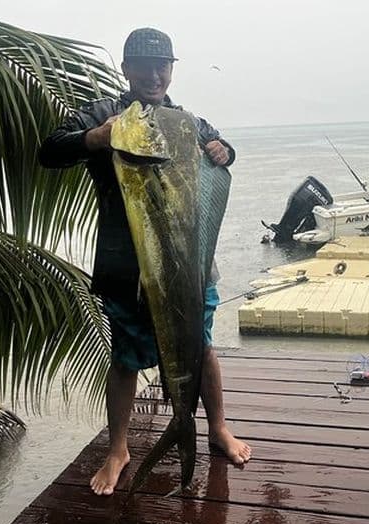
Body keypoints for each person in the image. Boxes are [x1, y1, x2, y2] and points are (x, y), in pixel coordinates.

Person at [38, 27, 251, 496]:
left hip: (191, 265)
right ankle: (118, 449)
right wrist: (95, 138)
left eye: (163, 65)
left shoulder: (187, 121)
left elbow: (223, 152)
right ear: (126, 68)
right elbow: (50, 150)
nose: (154, 74)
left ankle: (216, 427)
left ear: (172, 70)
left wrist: (225, 150)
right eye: (144, 64)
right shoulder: (106, 114)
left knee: (204, 348)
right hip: (127, 268)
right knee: (126, 358)